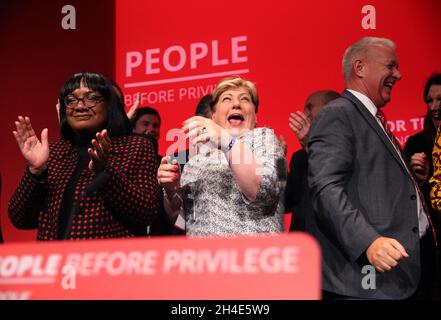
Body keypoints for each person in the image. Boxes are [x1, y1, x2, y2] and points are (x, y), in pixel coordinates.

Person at [308, 37, 437, 299]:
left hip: (406, 270)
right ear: (360, 67)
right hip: (370, 279)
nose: (398, 75)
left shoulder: (372, 118)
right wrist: (368, 241)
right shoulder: (339, 114)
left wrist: (416, 183)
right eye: (390, 66)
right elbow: (325, 188)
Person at [8, 72, 160, 240]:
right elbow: (20, 220)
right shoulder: (53, 152)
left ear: (110, 105)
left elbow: (147, 213)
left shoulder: (136, 147)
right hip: (55, 263)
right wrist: (35, 171)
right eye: (71, 100)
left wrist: (105, 173)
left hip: (108, 262)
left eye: (91, 98)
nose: (79, 107)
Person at [158, 76, 286, 236]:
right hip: (205, 258)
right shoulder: (195, 161)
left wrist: (226, 140)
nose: (236, 104)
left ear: (255, 116)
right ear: (213, 115)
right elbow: (181, 220)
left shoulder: (263, 139)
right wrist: (171, 191)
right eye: (227, 99)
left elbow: (263, 191)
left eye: (245, 99)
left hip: (253, 256)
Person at [406, 73, 441, 298]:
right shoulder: (417, 144)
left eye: (440, 99)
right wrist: (420, 180)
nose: (435, 106)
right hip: (432, 248)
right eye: (430, 100)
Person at [285, 90, 340, 232]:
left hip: (332, 242)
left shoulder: (349, 149)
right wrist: (278, 163)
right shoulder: (299, 157)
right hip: (301, 244)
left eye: (310, 108)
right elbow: (286, 203)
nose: (306, 115)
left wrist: (309, 144)